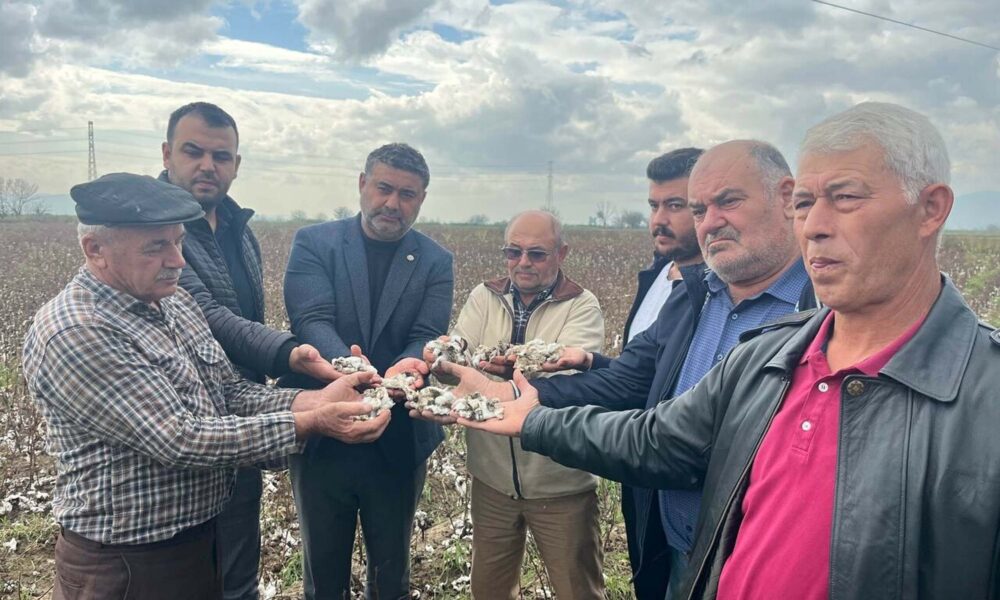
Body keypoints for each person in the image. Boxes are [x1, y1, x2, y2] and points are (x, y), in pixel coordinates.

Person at [457, 102, 1000, 599]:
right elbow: (659, 435)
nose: (815, 226)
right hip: (689, 561)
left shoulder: (983, 394)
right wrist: (529, 412)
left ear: (930, 209)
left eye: (846, 198)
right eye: (807, 203)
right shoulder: (765, 347)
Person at [426, 139, 815, 597]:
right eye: (698, 209)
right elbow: (626, 380)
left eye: (728, 201)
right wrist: (513, 396)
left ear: (787, 198)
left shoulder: (822, 313)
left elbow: (676, 442)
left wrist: (530, 417)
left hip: (766, 564)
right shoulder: (692, 298)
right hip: (679, 547)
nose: (710, 222)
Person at [22, 173, 390, 600]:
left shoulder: (174, 302)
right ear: (95, 250)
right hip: (128, 564)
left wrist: (313, 399)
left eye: (179, 242)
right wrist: (312, 422)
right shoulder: (78, 331)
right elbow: (180, 438)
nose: (178, 260)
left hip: (200, 541)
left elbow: (227, 392)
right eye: (156, 247)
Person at [160, 101, 341, 600]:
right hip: (187, 432)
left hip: (243, 416)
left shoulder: (239, 230)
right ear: (167, 154)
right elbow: (207, 316)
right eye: (193, 152)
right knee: (191, 575)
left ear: (236, 165)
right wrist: (290, 354)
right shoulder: (157, 235)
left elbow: (246, 318)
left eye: (221, 156)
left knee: (239, 570)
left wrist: (282, 378)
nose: (207, 166)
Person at [281, 143, 454, 599]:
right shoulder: (315, 243)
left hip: (398, 437)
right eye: (384, 188)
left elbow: (426, 333)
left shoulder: (435, 260)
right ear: (362, 184)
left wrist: (405, 367)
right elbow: (311, 319)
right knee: (323, 573)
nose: (392, 203)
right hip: (324, 430)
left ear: (421, 199)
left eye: (407, 194)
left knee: (392, 575)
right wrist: (352, 369)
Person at [420, 210, 605, 598]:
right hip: (492, 482)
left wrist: (505, 374)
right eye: (513, 252)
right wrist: (442, 359)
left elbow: (570, 383)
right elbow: (460, 356)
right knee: (489, 590)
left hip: (560, 482)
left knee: (578, 590)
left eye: (537, 254)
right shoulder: (484, 296)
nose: (523, 262)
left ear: (561, 253)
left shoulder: (582, 305)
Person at [624, 148, 704, 345]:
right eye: (654, 206)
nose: (659, 220)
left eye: (675, 205)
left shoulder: (718, 293)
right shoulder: (655, 273)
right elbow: (643, 363)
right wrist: (592, 359)